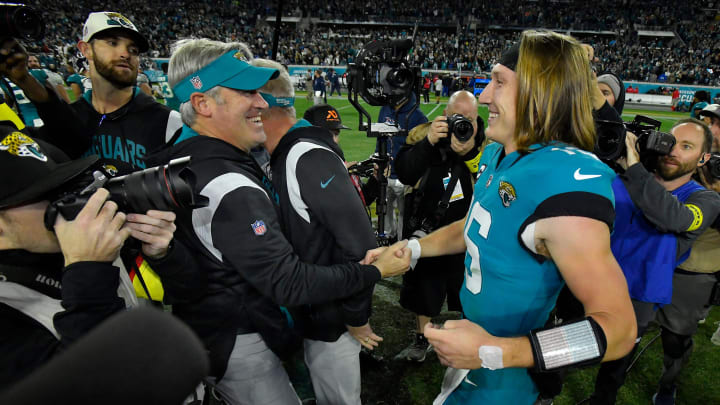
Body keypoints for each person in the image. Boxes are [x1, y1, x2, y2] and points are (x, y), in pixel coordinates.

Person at [164, 38, 410, 405]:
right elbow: (288, 281)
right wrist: (373, 274)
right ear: (202, 103)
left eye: (261, 93)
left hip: (225, 328)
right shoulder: (229, 178)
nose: (260, 102)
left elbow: (184, 270)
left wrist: (159, 252)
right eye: (247, 92)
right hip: (247, 332)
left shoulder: (186, 159)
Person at [405, 30, 636, 404]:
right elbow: (479, 225)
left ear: (539, 91)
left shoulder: (565, 184)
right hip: (472, 359)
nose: (483, 95)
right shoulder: (502, 152)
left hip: (505, 380)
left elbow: (620, 330)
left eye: (499, 82)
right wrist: (411, 250)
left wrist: (496, 352)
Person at [0, 126, 176, 388]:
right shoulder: (10, 309)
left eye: (62, 186)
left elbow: (187, 292)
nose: (62, 201)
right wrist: (87, 273)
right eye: (42, 195)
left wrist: (162, 256)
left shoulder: (78, 242)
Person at [254, 58, 380, 405]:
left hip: (331, 321)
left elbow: (363, 246)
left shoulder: (305, 156)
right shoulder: (283, 154)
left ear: (259, 105)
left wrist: (355, 318)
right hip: (312, 311)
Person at [590, 118, 720, 405]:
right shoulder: (624, 178)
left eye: (687, 147)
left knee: (615, 368)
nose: (674, 152)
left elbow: (673, 217)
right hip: (591, 283)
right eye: (672, 143)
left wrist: (635, 168)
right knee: (563, 353)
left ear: (703, 158)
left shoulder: (705, 200)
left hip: (637, 300)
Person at [0, 11, 183, 174]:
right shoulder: (66, 122)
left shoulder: (169, 122)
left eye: (133, 50)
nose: (125, 54)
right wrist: (23, 78)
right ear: (85, 50)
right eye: (112, 43)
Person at [393, 90, 485, 362]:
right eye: (458, 117)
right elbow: (405, 171)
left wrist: (470, 155)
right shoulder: (424, 135)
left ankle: (469, 341)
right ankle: (422, 339)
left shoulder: (487, 145)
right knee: (423, 290)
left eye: (470, 118)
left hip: (469, 237)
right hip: (428, 228)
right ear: (445, 115)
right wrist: (430, 141)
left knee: (471, 292)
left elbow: (494, 181)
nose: (464, 124)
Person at [377, 91, 428, 242]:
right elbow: (380, 137)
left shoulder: (418, 116)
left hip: (405, 176)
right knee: (385, 209)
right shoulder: (385, 108)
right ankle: (387, 236)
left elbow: (421, 149)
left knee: (404, 213)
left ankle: (401, 241)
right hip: (386, 171)